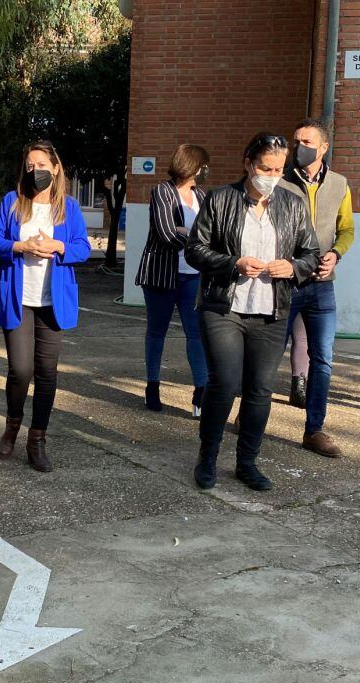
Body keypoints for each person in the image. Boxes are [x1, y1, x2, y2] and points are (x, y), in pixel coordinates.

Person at [185, 133, 320, 491]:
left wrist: (293, 268)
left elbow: (312, 253)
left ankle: (247, 462)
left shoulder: (293, 204)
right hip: (223, 307)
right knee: (225, 384)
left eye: (277, 169)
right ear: (247, 163)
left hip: (272, 311)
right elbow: (194, 250)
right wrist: (233, 263)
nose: (271, 175)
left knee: (260, 391)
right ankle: (208, 458)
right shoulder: (220, 199)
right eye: (264, 167)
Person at [0, 140, 91, 472]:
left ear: (56, 168)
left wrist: (60, 246)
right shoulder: (12, 202)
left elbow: (83, 248)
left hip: (53, 302)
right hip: (19, 299)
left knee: (47, 374)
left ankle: (37, 439)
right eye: (31, 166)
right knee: (20, 370)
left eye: (42, 165)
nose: (36, 171)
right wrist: (20, 245)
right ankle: (13, 424)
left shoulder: (69, 207)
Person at [277, 118, 355, 457]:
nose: (299, 148)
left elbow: (347, 230)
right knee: (266, 355)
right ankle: (248, 415)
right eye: (296, 142)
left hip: (322, 287)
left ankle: (314, 430)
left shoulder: (339, 184)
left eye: (306, 142)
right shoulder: (280, 183)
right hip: (285, 283)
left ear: (323, 148)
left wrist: (336, 254)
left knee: (322, 360)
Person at [134, 144, 210, 416]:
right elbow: (166, 234)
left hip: (194, 276)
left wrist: (188, 234)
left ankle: (201, 390)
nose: (205, 171)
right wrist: (195, 239)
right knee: (157, 331)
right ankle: (152, 386)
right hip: (161, 275)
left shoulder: (201, 195)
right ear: (193, 166)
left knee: (196, 334)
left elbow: (210, 234)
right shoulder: (162, 191)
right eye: (203, 166)